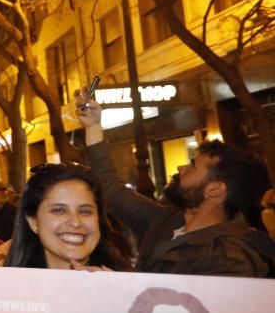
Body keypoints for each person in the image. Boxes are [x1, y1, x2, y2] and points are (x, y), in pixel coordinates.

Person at [78, 95, 271, 276]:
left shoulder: (230, 259)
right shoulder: (167, 220)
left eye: (193, 166)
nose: (181, 167)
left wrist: (122, 287)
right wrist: (93, 126)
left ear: (214, 190)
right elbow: (112, 191)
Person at [5, 163, 129, 270]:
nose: (75, 222)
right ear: (33, 222)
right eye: (59, 210)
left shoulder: (133, 290)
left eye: (85, 211)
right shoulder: (5, 292)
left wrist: (118, 292)